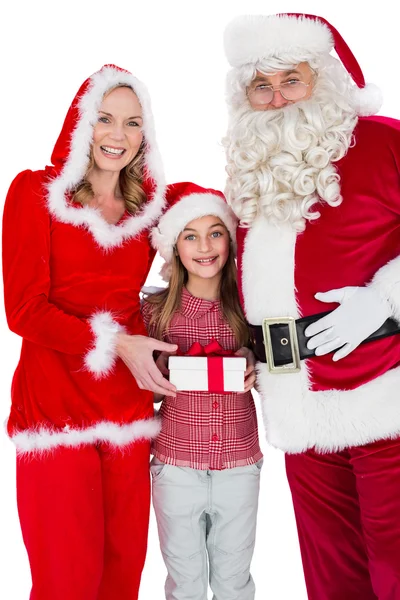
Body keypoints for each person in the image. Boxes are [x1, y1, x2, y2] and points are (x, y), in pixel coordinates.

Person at [223, 13, 400, 600]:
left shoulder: (383, 142)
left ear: (323, 81)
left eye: (290, 81)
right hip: (297, 407)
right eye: (261, 85)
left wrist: (383, 301)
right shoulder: (249, 173)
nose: (276, 100)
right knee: (332, 580)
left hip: (386, 395)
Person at [2, 64, 178, 600]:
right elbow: (24, 312)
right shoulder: (34, 193)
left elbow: (212, 220)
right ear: (82, 125)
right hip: (54, 405)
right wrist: (117, 343)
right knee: (68, 579)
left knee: (122, 575)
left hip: (125, 406)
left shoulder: (152, 208)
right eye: (105, 119)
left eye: (132, 123)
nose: (118, 136)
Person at [141, 181, 263, 600]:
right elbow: (140, 390)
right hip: (175, 464)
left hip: (238, 462)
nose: (204, 246)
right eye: (190, 236)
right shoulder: (154, 312)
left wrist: (254, 363)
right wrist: (154, 376)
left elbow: (276, 374)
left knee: (234, 579)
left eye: (215, 232)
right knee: (185, 580)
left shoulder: (250, 304)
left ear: (229, 240)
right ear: (175, 247)